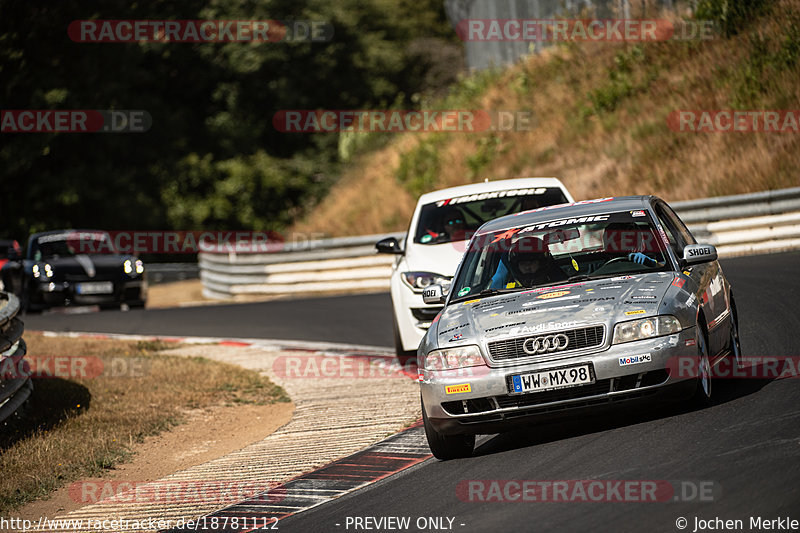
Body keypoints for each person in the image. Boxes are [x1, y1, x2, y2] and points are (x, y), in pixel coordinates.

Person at [491, 236, 567, 288]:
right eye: (523, 264)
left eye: (532, 262)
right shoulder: (503, 290)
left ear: (541, 263)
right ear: (516, 266)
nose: (527, 267)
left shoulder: (563, 283)